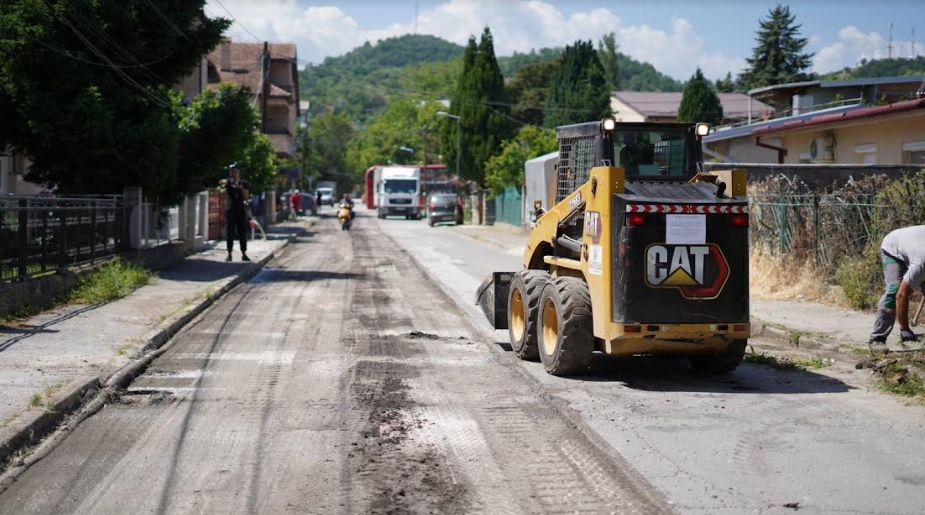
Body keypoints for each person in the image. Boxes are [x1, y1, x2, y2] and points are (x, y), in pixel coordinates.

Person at [869, 225, 925, 346]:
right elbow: (901, 295)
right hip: (893, 247)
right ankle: (878, 338)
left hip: (913, 244)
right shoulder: (921, 264)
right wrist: (904, 328)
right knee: (893, 289)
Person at [221, 164, 250, 262]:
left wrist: (240, 188)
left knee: (242, 232)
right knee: (230, 233)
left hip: (240, 210)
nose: (233, 173)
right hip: (230, 210)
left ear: (239, 172)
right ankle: (229, 253)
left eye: (235, 171)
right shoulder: (228, 182)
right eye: (232, 171)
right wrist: (225, 182)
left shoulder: (244, 183)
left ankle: (244, 253)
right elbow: (222, 183)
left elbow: (246, 197)